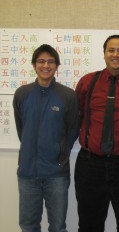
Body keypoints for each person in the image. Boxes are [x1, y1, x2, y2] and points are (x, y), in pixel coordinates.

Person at [74, 34, 119, 232]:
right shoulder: (87, 82)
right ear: (104, 54)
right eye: (111, 50)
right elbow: (77, 115)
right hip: (90, 165)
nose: (116, 54)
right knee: (89, 224)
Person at [13, 44, 79, 232]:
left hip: (56, 174)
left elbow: (73, 130)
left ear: (57, 66)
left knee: (58, 226)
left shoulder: (68, 95)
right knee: (28, 225)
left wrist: (59, 156)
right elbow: (21, 129)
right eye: (41, 61)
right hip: (27, 174)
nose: (46, 65)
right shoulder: (22, 94)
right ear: (34, 65)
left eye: (50, 62)